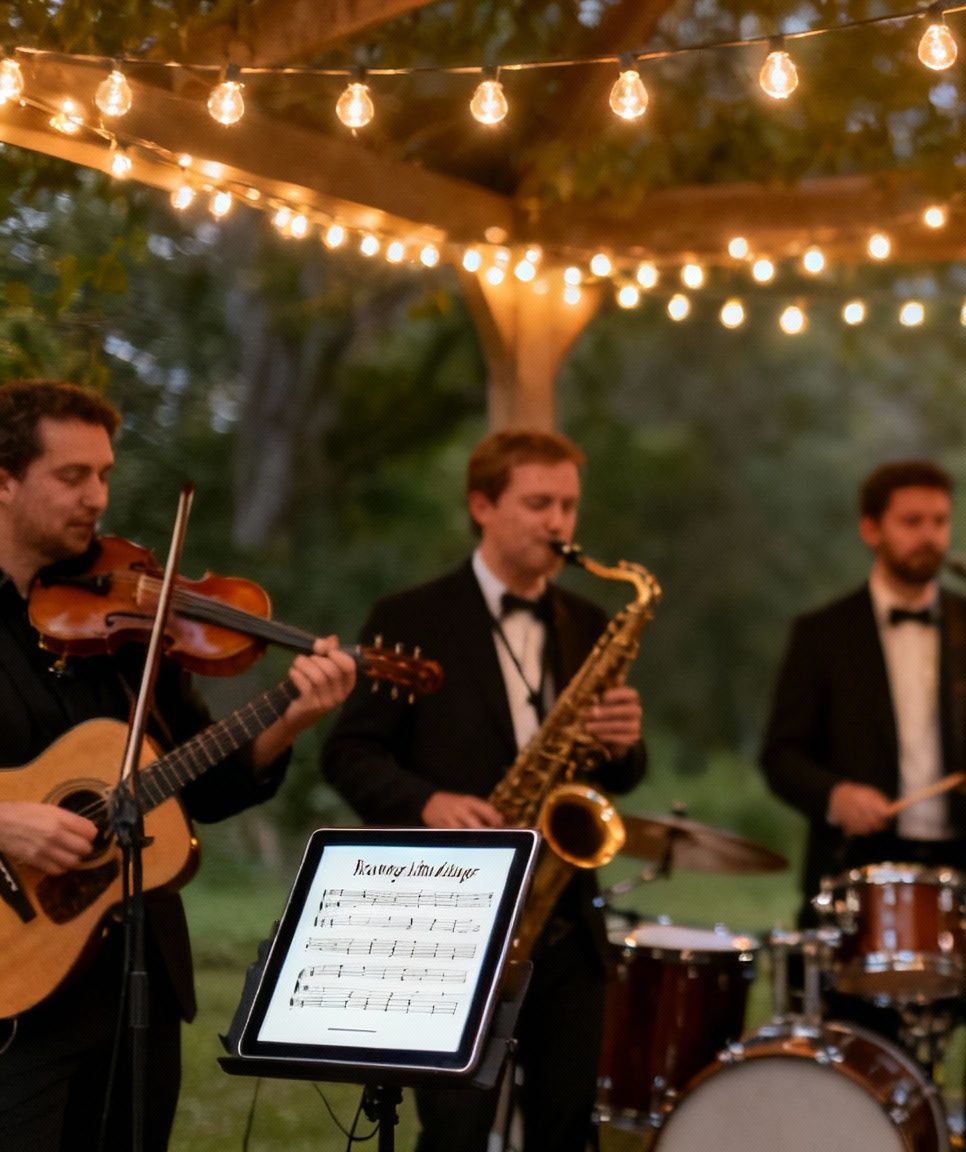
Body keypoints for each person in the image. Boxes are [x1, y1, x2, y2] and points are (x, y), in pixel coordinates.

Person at [0, 379, 357, 1152]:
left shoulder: (127, 619)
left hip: (136, 982)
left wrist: (291, 717)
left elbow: (205, 785)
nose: (97, 497)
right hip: (16, 984)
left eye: (104, 474)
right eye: (72, 476)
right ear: (4, 481)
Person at [321, 428, 646, 1152]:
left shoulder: (589, 622)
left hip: (564, 919)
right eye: (538, 503)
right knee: (456, 1131)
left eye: (568, 505)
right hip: (451, 913)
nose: (558, 523)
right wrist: (426, 802)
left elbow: (616, 774)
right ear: (482, 505)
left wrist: (625, 746)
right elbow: (348, 753)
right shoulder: (410, 617)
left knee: (567, 1128)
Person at [761, 460, 966, 1152]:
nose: (930, 536)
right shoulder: (823, 633)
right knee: (858, 1041)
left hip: (964, 869)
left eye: (939, 521)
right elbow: (781, 754)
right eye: (912, 522)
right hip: (858, 868)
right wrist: (835, 795)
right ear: (872, 529)